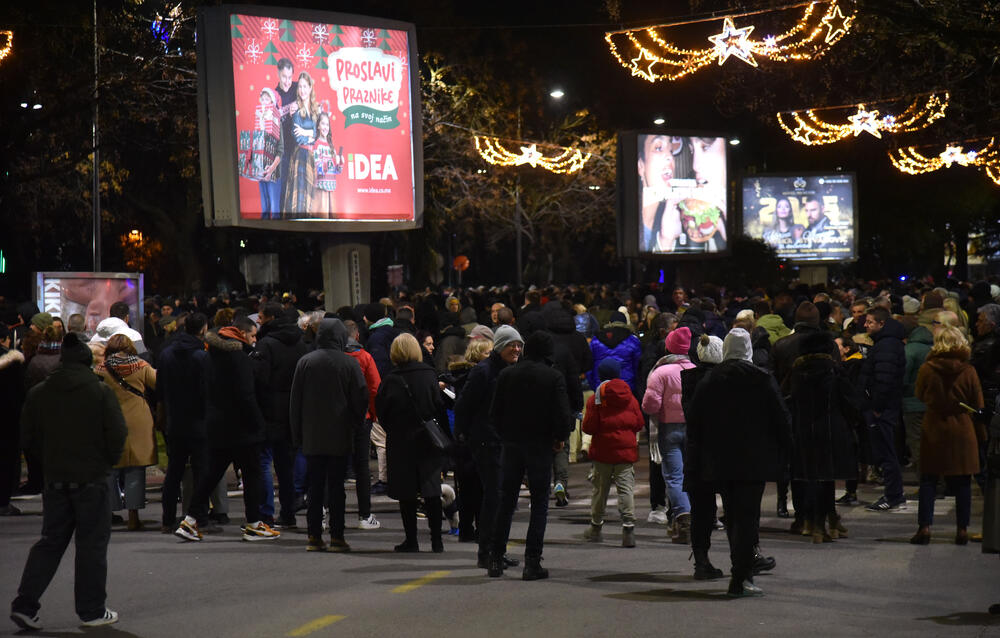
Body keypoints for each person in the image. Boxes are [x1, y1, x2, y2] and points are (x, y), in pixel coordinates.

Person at [11, 332, 126, 630]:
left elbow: (28, 437)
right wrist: (105, 462)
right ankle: (91, 610)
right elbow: (117, 434)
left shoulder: (40, 393)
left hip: (56, 478)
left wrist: (47, 461)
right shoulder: (100, 392)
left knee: (50, 543)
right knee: (91, 546)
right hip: (92, 478)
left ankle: (25, 604)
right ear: (87, 361)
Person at [686, 328, 792, 598]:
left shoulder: (710, 380)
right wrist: (784, 451)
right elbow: (781, 419)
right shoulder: (762, 379)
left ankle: (740, 572)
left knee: (733, 515)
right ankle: (741, 576)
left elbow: (695, 421)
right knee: (747, 518)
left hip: (718, 459)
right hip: (753, 460)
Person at [174, 317, 278, 542]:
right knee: (252, 474)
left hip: (217, 425)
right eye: (252, 335)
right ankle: (254, 524)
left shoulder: (210, 356)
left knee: (212, 474)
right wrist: (259, 424)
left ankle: (190, 520)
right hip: (242, 427)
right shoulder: (239, 359)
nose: (254, 340)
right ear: (241, 334)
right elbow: (246, 395)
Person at [488, 331, 573, 580]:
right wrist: (559, 438)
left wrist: (504, 435)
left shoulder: (507, 374)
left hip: (512, 444)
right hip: (540, 445)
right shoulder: (553, 376)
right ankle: (532, 562)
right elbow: (562, 414)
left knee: (506, 501)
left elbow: (495, 413)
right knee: (539, 504)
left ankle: (495, 558)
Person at [290, 318, 368, 552]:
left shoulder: (305, 362)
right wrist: (356, 425)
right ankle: (337, 536)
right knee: (336, 488)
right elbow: (361, 397)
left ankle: (314, 536)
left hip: (312, 435)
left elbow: (295, 402)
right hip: (340, 434)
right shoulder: (349, 363)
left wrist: (297, 434)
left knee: (314, 487)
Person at [454, 325, 523, 569]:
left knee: (503, 499)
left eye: (519, 345)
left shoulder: (512, 370)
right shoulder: (483, 371)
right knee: (494, 498)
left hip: (506, 442)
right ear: (500, 346)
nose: (516, 349)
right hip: (487, 443)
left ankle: (497, 550)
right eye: (511, 345)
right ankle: (486, 552)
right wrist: (463, 436)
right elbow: (464, 405)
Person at [911, 326, 984, 545]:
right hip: (962, 427)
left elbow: (919, 394)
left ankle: (924, 527)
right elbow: (977, 402)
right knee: (963, 481)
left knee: (929, 479)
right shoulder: (968, 370)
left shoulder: (927, 368)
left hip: (934, 426)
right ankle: (962, 530)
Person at [375, 333, 448, 553]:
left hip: (401, 441)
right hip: (427, 440)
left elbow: (382, 411)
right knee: (431, 490)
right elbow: (438, 406)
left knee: (406, 493)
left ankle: (411, 540)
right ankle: (437, 540)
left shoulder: (391, 379)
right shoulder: (429, 374)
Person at [785, 332, 860, 543]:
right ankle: (823, 524)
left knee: (811, 477)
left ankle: (815, 521)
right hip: (831, 430)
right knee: (827, 479)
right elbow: (850, 401)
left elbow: (788, 400)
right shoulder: (834, 371)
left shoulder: (796, 372)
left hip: (804, 432)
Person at [156, 312, 211, 533]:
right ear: (203, 329)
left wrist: (162, 415)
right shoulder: (202, 356)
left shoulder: (166, 354)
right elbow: (207, 390)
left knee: (174, 472)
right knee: (201, 471)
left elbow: (160, 389)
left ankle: (168, 518)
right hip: (199, 421)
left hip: (175, 419)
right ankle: (198, 517)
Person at [97, 334, 157, 532]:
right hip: (139, 420)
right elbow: (158, 384)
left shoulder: (101, 369)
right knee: (135, 469)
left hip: (111, 419)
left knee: (110, 468)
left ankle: (109, 511)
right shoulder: (141, 366)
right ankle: (133, 517)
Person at [582, 358, 645, 547]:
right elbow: (639, 423)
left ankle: (596, 527)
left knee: (600, 490)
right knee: (626, 489)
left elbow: (588, 427)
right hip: (625, 453)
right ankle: (628, 529)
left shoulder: (596, 399)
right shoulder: (630, 397)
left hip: (603, 452)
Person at [642, 326, 696, 543]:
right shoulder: (695, 370)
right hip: (692, 429)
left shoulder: (660, 372)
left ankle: (683, 518)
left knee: (674, 476)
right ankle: (691, 517)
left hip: (668, 429)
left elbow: (650, 405)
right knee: (690, 475)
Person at [859, 307, 907, 512]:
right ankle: (893, 493)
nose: (865, 325)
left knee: (886, 452)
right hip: (885, 407)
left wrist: (877, 407)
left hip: (883, 409)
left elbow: (884, 379)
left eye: (870, 322)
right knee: (885, 451)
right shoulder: (886, 343)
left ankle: (893, 495)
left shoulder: (886, 345)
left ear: (881, 323)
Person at [343, 319, 382, 531]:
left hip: (336, 419)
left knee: (334, 467)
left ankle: (329, 514)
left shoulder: (333, 357)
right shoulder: (365, 357)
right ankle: (364, 515)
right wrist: (374, 413)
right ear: (357, 335)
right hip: (362, 418)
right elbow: (375, 388)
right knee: (362, 467)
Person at [283, 72, 318, 215]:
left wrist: (307, 132)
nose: (302, 90)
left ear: (310, 88)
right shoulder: (296, 109)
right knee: (299, 198)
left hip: (311, 157)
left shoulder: (315, 110)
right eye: (300, 87)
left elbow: (316, 134)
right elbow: (298, 138)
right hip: (300, 156)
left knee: (310, 198)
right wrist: (310, 135)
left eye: (305, 86)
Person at [0, 323, 26, 516]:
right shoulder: (12, 363)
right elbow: (19, 394)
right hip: (8, 419)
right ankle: (3, 501)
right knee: (6, 460)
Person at [310, 111, 342, 218]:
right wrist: (332, 162)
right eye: (323, 124)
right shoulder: (316, 145)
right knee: (321, 220)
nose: (325, 127)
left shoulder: (331, 145)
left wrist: (340, 163)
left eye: (327, 125)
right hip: (321, 189)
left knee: (331, 220)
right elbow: (319, 169)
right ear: (318, 126)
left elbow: (336, 171)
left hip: (331, 187)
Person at [274, 57, 297, 209]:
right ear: (278, 74)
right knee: (283, 183)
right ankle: (283, 215)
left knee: (298, 184)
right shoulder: (274, 95)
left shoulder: (298, 87)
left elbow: (309, 101)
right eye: (284, 77)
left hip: (299, 145)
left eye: (289, 77)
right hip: (283, 149)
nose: (287, 81)